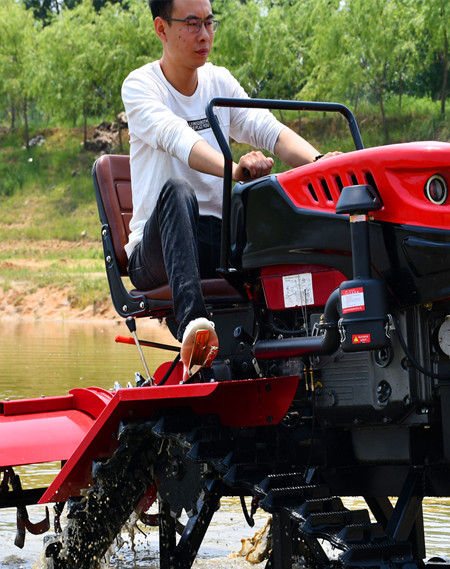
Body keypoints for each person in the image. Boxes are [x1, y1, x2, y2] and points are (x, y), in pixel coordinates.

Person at [122, 0, 336, 374]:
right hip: (158, 251)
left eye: (209, 22)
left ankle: (305, 335)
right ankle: (194, 325)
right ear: (161, 28)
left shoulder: (219, 81)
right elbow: (176, 137)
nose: (204, 34)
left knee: (269, 196)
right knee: (177, 190)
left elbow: (270, 131)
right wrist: (234, 170)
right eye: (192, 24)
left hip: (217, 244)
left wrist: (325, 166)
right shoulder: (141, 86)